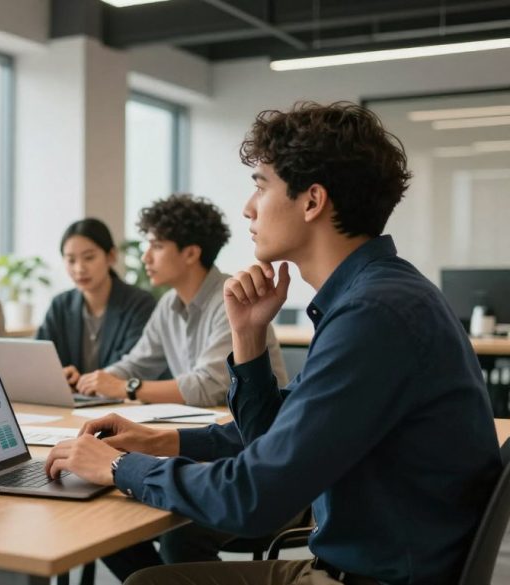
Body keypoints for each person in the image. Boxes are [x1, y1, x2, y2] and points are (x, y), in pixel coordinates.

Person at [46, 102, 501, 585]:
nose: (247, 207)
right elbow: (280, 433)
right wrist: (242, 343)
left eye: (260, 184)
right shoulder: (377, 294)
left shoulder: (372, 315)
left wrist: (119, 466)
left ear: (312, 202)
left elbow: (253, 498)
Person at [75, 194, 288, 406]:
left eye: (157, 246)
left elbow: (207, 386)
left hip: (257, 431)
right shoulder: (168, 303)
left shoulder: (233, 299)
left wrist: (126, 388)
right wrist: (91, 383)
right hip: (208, 427)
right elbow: (137, 364)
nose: (145, 257)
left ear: (191, 254)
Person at [36, 218, 156, 388]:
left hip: (121, 403)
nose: (79, 269)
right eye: (71, 260)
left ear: (111, 256)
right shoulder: (60, 305)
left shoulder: (139, 304)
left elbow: (136, 366)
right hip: (71, 402)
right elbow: (39, 359)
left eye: (89, 258)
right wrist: (60, 375)